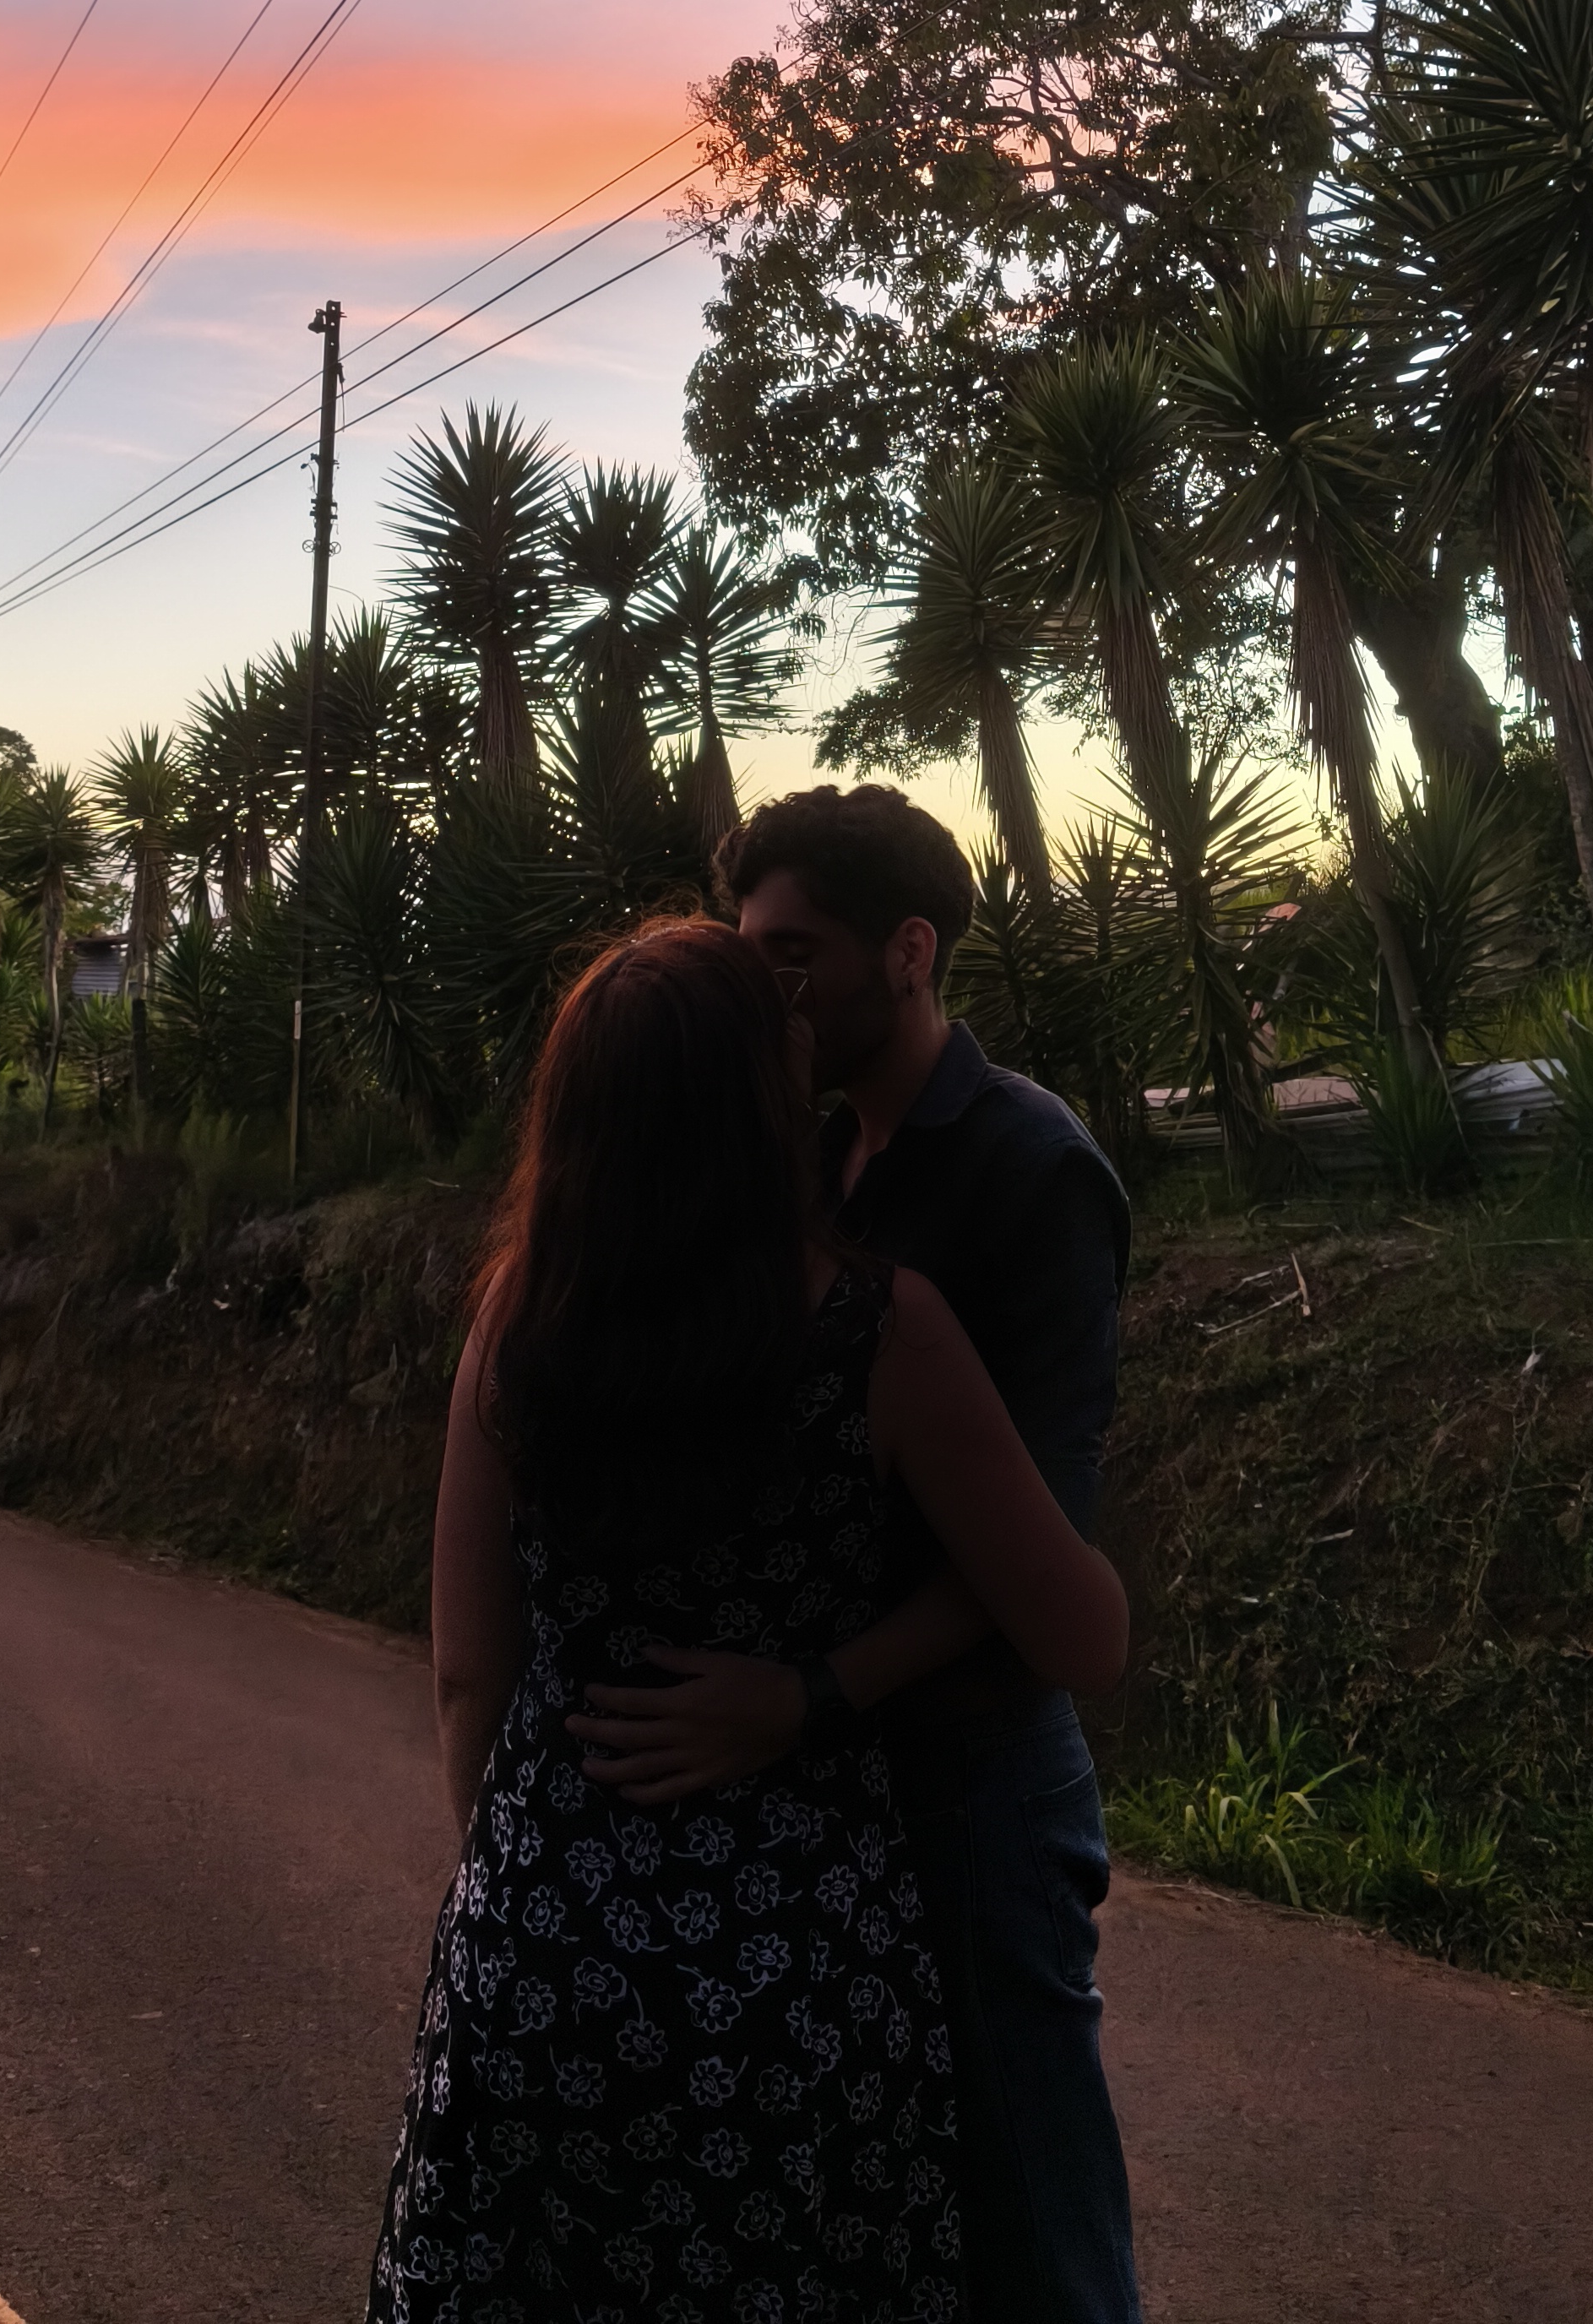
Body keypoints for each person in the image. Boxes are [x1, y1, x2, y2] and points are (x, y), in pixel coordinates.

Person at [369, 915, 1126, 2324]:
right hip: (803, 1981)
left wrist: (544, 1897)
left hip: (542, 1946)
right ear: (758, 1092)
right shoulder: (883, 1334)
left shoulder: (513, 1325)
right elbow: (1084, 1635)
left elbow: (472, 1678)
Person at [568, 788, 1144, 2324]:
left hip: (971, 1776)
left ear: (909, 952)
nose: (767, 997)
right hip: (825, 1800)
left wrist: (813, 1693)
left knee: (1036, 2224)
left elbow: (1045, 1562)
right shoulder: (805, 1153)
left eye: (791, 960)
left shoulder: (1032, 1172)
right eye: (746, 962)